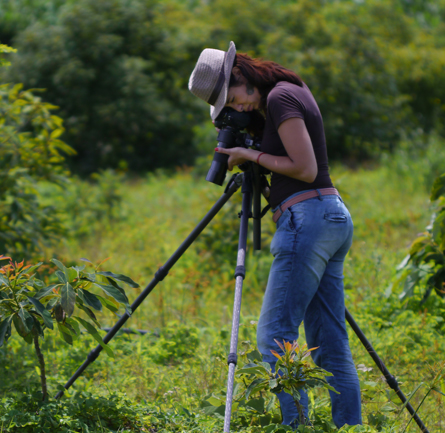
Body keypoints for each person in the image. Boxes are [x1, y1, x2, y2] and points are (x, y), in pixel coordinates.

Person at [188, 42, 362, 427]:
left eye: (230, 98)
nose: (236, 108)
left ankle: (296, 427)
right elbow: (290, 173)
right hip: (328, 216)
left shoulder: (281, 96)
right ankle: (351, 427)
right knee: (330, 344)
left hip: (309, 218)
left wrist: (249, 156)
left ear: (239, 75)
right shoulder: (284, 95)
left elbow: (303, 167)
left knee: (273, 335)